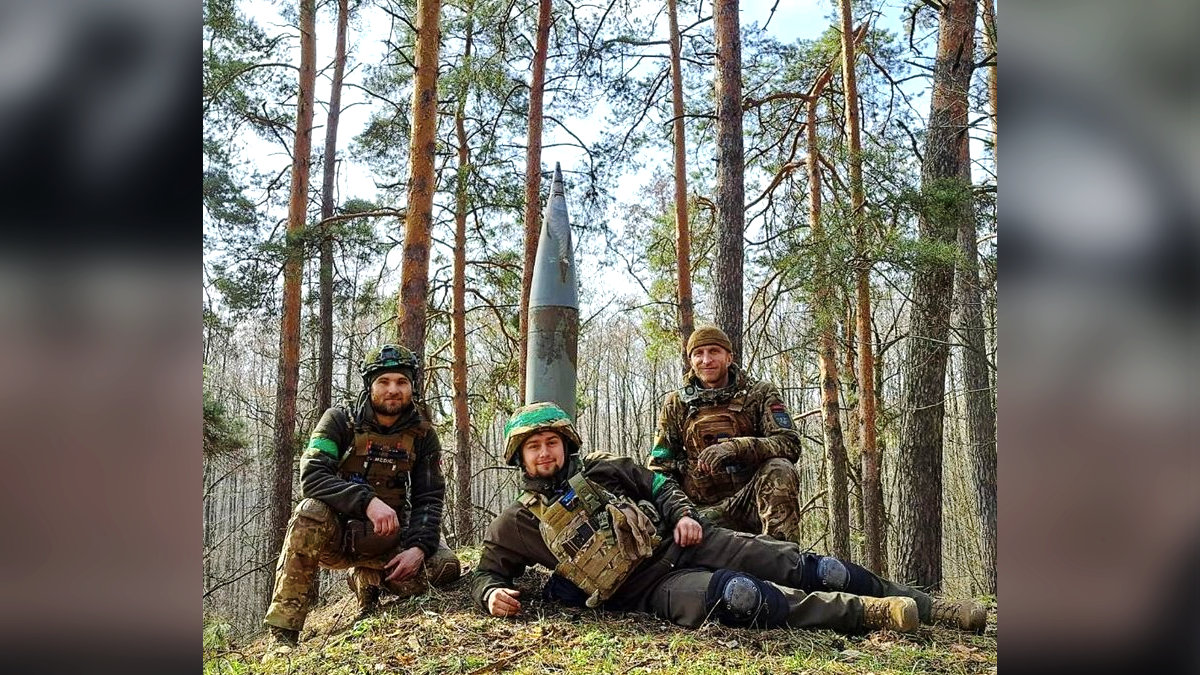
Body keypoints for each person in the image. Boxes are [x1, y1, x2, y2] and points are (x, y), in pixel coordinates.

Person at [471, 402, 986, 635]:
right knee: (741, 597)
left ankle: (933, 607)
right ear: (520, 458)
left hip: (688, 544)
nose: (544, 454)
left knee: (806, 565)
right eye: (534, 447)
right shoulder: (515, 523)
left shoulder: (607, 469)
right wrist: (493, 593)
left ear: (566, 446)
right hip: (644, 591)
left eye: (551, 443)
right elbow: (489, 571)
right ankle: (869, 614)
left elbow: (659, 483)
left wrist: (682, 517)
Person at [262, 344, 461, 650]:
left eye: (401, 382)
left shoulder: (422, 435)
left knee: (446, 565)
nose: (393, 390)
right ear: (370, 386)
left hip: (389, 540)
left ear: (412, 387)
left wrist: (419, 547)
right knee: (309, 510)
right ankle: (283, 635)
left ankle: (370, 579)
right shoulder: (340, 421)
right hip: (337, 537)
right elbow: (312, 476)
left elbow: (429, 498)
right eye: (384, 382)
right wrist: (367, 501)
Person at [647, 325, 805, 542]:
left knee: (780, 468)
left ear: (729, 357)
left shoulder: (759, 393)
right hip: (701, 513)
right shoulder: (676, 403)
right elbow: (660, 468)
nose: (706, 360)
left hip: (752, 501)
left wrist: (735, 447)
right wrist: (682, 514)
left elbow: (789, 443)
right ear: (690, 360)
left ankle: (784, 561)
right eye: (698, 354)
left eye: (714, 351)